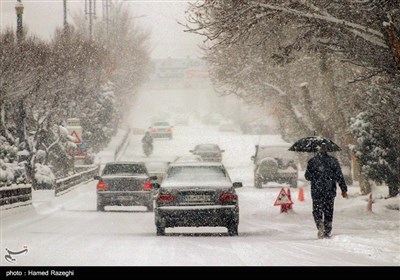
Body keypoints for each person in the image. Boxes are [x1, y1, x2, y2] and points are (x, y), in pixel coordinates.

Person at [305, 144, 348, 239]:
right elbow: (339, 176)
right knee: (328, 211)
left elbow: (307, 176)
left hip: (316, 191)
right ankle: (327, 230)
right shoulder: (333, 161)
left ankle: (319, 224)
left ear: (317, 150)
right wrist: (343, 189)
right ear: (327, 150)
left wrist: (315, 175)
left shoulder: (312, 161)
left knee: (317, 210)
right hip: (330, 190)